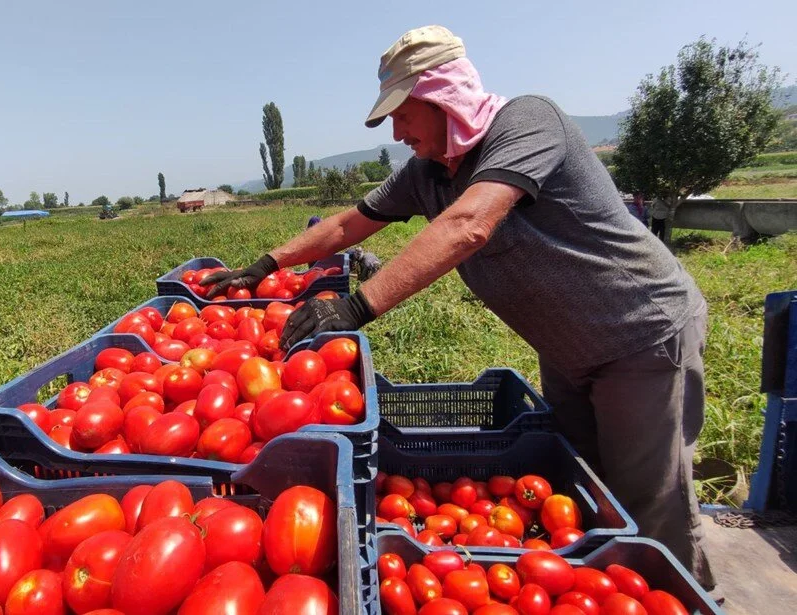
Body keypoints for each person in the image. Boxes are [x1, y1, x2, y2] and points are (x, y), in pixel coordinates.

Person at [202, 25, 717, 595]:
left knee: (649, 501)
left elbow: (469, 224)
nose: (397, 133)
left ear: (444, 95)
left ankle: (692, 598)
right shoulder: (428, 174)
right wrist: (266, 262)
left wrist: (356, 307)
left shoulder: (526, 123)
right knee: (586, 490)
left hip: (639, 332)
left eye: (404, 114)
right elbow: (351, 224)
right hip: (570, 348)